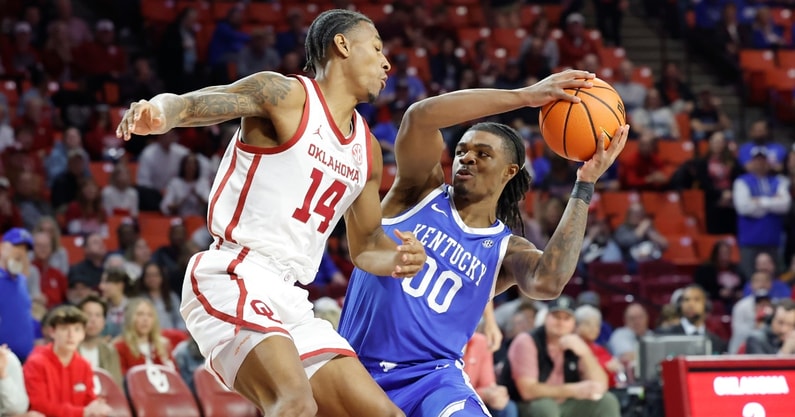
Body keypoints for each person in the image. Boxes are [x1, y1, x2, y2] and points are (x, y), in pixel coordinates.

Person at [115, 8, 426, 416]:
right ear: (343, 45)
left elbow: (367, 245)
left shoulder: (367, 151)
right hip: (234, 274)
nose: (387, 62)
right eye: (378, 47)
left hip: (292, 299)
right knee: (295, 402)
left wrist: (401, 258)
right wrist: (161, 112)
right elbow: (196, 104)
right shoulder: (287, 96)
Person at [338, 70, 629, 415]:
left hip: (433, 380)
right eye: (461, 151)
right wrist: (524, 96)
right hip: (354, 368)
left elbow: (548, 282)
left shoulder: (507, 249)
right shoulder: (419, 192)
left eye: (483, 153)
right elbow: (419, 118)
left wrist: (585, 183)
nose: (467, 157)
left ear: (510, 171)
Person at [23, 305, 113, 417]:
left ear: (83, 334)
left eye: (77, 329)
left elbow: (89, 399)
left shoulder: (84, 365)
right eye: (64, 329)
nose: (71, 335)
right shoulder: (36, 362)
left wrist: (97, 406)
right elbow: (39, 404)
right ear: (52, 332)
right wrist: (82, 412)